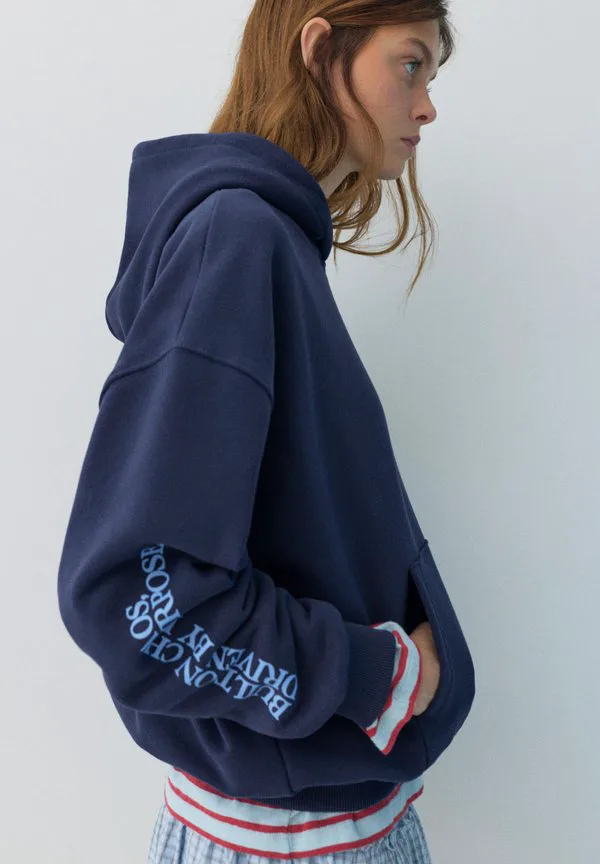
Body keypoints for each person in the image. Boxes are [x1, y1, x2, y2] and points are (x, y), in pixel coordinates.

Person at [56, 2, 476, 862]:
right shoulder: (237, 240)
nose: (428, 104)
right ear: (320, 49)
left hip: (323, 825)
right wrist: (379, 675)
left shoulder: (269, 242)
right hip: (283, 844)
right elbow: (139, 597)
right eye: (410, 65)